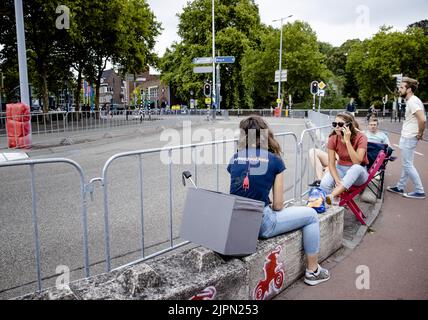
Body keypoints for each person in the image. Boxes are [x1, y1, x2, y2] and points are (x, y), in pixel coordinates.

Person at [227, 116, 330, 286]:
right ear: (266, 135)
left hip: (238, 223)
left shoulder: (235, 158)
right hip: (262, 223)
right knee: (311, 215)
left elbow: (240, 191)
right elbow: (278, 205)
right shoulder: (275, 160)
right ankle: (313, 271)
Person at [387, 77, 426, 199]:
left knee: (408, 164)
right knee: (406, 164)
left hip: (409, 136)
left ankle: (419, 190)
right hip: (408, 135)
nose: (399, 89)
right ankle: (400, 187)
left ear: (409, 89)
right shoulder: (412, 100)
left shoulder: (413, 101)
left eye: (402, 87)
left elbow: (423, 119)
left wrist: (420, 133)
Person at [320, 112, 369, 205]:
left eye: (340, 124)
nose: (337, 127)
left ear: (349, 125)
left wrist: (347, 141)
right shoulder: (333, 138)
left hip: (359, 173)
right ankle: (333, 205)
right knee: (324, 184)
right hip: (341, 169)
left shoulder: (361, 137)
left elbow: (357, 162)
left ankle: (331, 196)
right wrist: (337, 179)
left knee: (356, 168)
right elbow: (331, 163)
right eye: (334, 124)